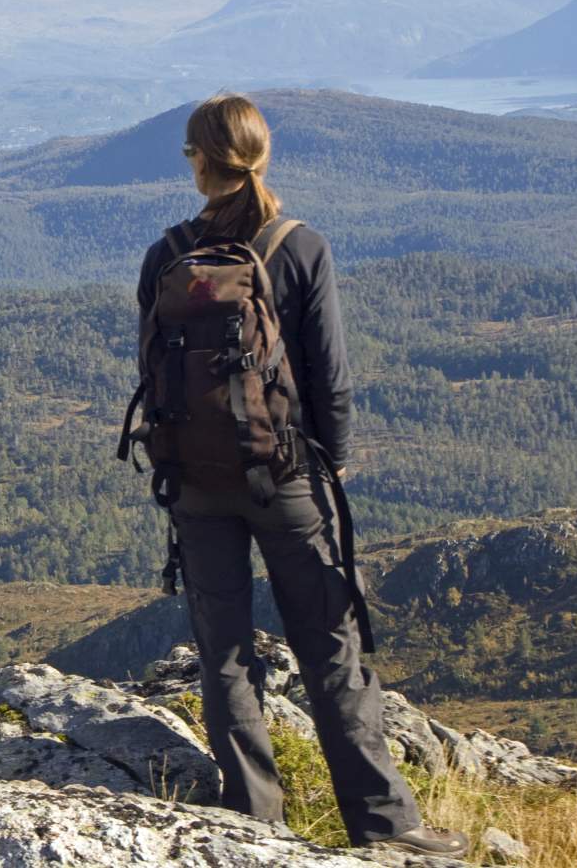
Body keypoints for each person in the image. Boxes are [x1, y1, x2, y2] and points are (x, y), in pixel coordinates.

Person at [132, 93, 468, 858]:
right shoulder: (300, 245)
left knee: (223, 653)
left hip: (193, 483)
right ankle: (385, 827)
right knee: (329, 648)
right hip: (284, 478)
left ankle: (255, 827)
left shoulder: (166, 254)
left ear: (198, 161)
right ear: (262, 155)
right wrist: (333, 459)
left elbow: (151, 373)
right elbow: (330, 378)